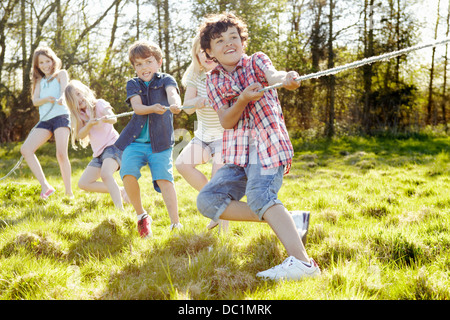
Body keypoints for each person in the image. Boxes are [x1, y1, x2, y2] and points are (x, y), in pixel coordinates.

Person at [196, 13, 320, 280]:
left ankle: (304, 264)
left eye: (233, 37)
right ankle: (289, 219)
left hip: (267, 145)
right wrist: (241, 100)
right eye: (219, 41)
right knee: (207, 200)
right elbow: (226, 121)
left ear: (242, 40)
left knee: (260, 197)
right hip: (237, 153)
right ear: (209, 52)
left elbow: (273, 75)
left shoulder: (256, 61)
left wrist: (286, 77)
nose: (229, 43)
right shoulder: (213, 80)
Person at [114, 40, 182, 238]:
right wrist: (153, 108)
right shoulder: (133, 84)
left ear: (159, 62)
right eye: (138, 64)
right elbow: (137, 107)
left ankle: (175, 224)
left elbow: (172, 94)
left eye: (148, 61)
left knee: (164, 179)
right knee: (127, 172)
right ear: (134, 67)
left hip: (160, 143)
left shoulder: (166, 79)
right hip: (134, 142)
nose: (144, 67)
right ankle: (141, 215)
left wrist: (175, 104)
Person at [175, 35, 229, 232]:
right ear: (196, 54)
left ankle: (225, 232)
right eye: (201, 51)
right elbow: (187, 108)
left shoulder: (226, 73)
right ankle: (214, 205)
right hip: (203, 136)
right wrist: (195, 101)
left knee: (218, 179)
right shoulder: (195, 76)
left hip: (225, 137)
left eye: (210, 50)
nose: (206, 55)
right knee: (182, 164)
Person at [65, 80, 129, 211]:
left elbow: (113, 118)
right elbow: (80, 135)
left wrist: (106, 118)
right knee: (83, 183)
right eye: (74, 98)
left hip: (113, 147)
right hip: (99, 153)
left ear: (84, 91)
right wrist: (89, 124)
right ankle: (121, 190)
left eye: (78, 93)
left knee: (106, 175)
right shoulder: (79, 115)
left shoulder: (98, 104)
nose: (79, 99)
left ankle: (119, 210)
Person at [20, 47, 73, 199]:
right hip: (45, 120)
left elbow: (65, 90)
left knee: (61, 154)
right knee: (26, 149)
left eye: (47, 61)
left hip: (61, 116)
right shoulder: (38, 80)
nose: (45, 65)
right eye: (41, 63)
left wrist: (62, 98)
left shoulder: (60, 74)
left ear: (53, 60)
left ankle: (69, 193)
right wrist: (47, 98)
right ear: (37, 66)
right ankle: (45, 186)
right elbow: (35, 101)